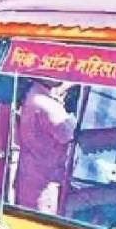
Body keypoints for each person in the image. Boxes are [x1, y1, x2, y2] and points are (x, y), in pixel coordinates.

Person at [15, 78, 77, 213]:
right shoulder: (46, 104)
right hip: (43, 185)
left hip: (34, 178)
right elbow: (75, 137)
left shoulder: (35, 94)